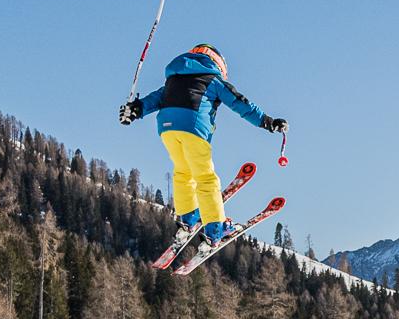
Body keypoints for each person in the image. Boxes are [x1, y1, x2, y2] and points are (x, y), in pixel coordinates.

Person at [118, 45, 286, 247]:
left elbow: (153, 100)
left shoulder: (174, 78)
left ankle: (187, 218)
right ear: (218, 63)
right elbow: (240, 103)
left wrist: (134, 110)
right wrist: (268, 122)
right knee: (205, 178)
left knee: (183, 172)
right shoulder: (213, 80)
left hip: (167, 129)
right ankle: (216, 229)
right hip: (193, 128)